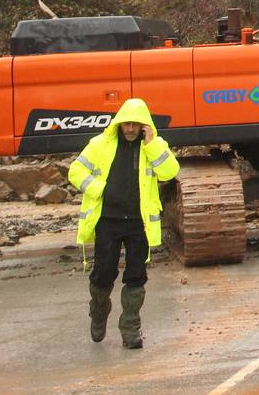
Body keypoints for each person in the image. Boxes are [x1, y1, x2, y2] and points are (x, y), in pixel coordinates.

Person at [67, 98, 179, 348]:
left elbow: (170, 172)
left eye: (135, 125)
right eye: (126, 124)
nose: (130, 129)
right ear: (118, 123)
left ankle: (130, 329)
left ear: (144, 126)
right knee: (103, 274)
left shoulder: (152, 147)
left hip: (139, 224)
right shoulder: (100, 145)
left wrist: (153, 144)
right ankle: (98, 312)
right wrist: (100, 189)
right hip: (107, 221)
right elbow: (75, 171)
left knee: (136, 276)